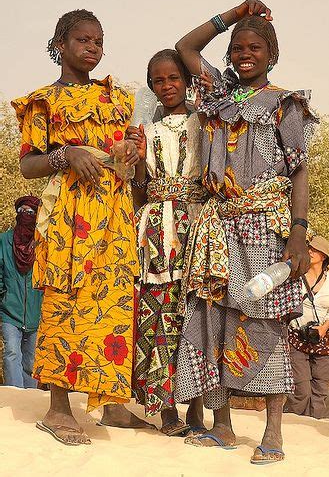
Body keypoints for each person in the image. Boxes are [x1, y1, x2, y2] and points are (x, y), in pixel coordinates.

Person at [173, 0, 318, 464]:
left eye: (254, 48)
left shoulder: (284, 105)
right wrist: (234, 15)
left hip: (261, 228)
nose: (242, 54)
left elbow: (299, 172)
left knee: (263, 323)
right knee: (210, 320)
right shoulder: (219, 94)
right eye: (237, 48)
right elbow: (185, 46)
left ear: (271, 55)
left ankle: (273, 433)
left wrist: (298, 231)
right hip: (216, 227)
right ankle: (223, 427)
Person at [11, 9, 140, 446]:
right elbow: (28, 164)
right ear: (61, 44)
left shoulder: (117, 98)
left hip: (114, 213)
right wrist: (66, 155)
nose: (92, 48)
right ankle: (59, 409)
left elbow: (121, 157)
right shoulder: (44, 100)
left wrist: (129, 156)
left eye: (99, 41)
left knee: (115, 305)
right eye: (83, 40)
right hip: (71, 217)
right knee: (67, 302)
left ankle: (114, 406)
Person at [127, 49, 207, 435]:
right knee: (160, 317)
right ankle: (167, 410)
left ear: (187, 80)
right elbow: (140, 193)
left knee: (195, 315)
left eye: (174, 78)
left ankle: (197, 408)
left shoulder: (205, 124)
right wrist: (140, 161)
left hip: (196, 228)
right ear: (151, 87)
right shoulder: (148, 133)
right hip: (157, 233)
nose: (167, 86)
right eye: (158, 81)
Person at [285, 235, 329, 418]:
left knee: (321, 388)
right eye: (309, 248)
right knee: (301, 388)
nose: (311, 251)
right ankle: (293, 422)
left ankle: (315, 424)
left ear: (324, 256)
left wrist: (324, 327)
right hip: (297, 336)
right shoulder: (296, 277)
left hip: (321, 339)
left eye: (315, 249)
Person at [0, 196, 42, 388]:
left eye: (31, 212)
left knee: (31, 361)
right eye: (22, 211)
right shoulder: (4, 241)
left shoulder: (42, 243)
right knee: (12, 353)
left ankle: (30, 400)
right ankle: (14, 397)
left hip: (36, 312)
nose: (26, 215)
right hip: (10, 311)